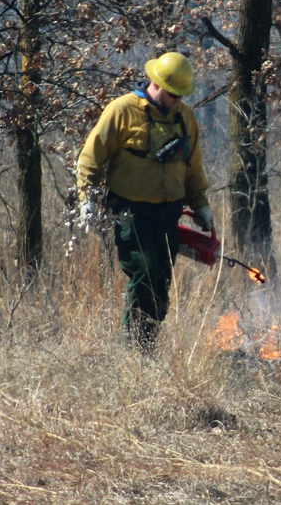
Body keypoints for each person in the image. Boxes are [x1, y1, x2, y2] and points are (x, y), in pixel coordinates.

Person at [77, 51, 214, 351]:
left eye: (182, 95)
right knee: (144, 271)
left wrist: (201, 204)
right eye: (173, 94)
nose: (178, 99)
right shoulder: (123, 110)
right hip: (130, 211)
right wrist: (87, 197)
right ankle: (133, 349)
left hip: (168, 213)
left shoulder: (185, 118)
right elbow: (91, 156)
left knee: (161, 281)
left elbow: (193, 167)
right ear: (158, 84)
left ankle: (146, 347)